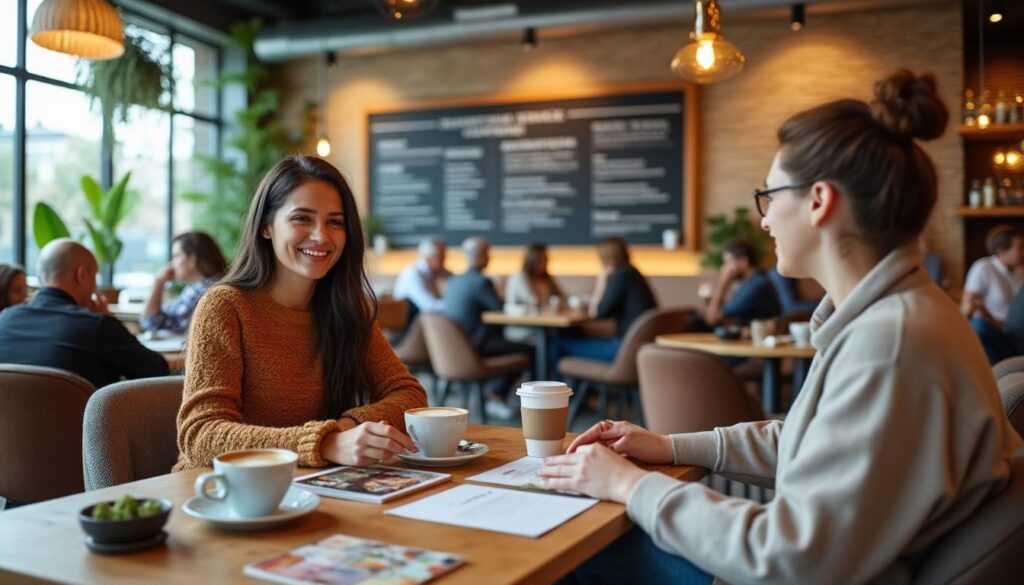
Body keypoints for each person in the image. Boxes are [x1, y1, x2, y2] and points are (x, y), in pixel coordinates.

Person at [540, 70, 1022, 584]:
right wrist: (669, 445)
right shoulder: (897, 317)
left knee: (563, 548)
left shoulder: (891, 345)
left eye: (769, 196)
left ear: (819, 200)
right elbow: (809, 442)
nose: (765, 220)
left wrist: (630, 487)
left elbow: (791, 557)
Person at [175, 155, 427, 471]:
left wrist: (346, 429)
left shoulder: (349, 309)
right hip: (222, 492)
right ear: (267, 227)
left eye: (334, 222)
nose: (321, 236)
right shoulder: (225, 306)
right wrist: (325, 443)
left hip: (313, 485)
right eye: (302, 219)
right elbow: (201, 435)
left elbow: (409, 394)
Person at [0, 239, 169, 388]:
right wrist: (107, 320)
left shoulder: (5, 319)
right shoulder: (97, 326)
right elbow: (158, 372)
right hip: (81, 425)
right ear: (81, 275)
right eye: (95, 277)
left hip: (10, 425)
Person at [442, 237, 532, 420]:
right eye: (488, 254)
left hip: (452, 351)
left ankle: (494, 394)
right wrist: (499, 288)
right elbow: (500, 309)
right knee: (531, 351)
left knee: (515, 347)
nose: (490, 258)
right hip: (477, 346)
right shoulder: (481, 282)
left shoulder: (453, 281)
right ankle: (499, 397)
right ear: (481, 256)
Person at [549, 237, 656, 371]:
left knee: (557, 343)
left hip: (622, 350)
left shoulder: (621, 276)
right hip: (638, 349)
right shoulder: (633, 273)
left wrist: (601, 281)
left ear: (604, 258)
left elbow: (597, 313)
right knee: (574, 334)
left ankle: (554, 390)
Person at [141, 231, 227, 334]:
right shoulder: (201, 286)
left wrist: (158, 282)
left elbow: (152, 323)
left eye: (176, 256)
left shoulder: (202, 291)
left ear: (192, 260)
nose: (172, 264)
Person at [961, 225, 1024, 363]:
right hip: (996, 330)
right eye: (1019, 248)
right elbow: (969, 305)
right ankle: (1000, 373)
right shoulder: (984, 267)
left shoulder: (1020, 272)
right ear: (1001, 252)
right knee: (978, 326)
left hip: (1018, 331)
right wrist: (992, 320)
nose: (1023, 252)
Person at [702, 238, 781, 327]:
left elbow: (712, 318)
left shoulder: (756, 285)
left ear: (744, 261)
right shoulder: (757, 280)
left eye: (727, 262)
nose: (723, 268)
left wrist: (723, 282)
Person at [504, 242, 566, 342]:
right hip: (522, 327)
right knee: (551, 334)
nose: (545, 262)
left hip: (544, 324)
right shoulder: (520, 278)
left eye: (546, 259)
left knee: (567, 331)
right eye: (542, 260)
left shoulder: (547, 278)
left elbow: (563, 297)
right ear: (532, 260)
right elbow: (534, 302)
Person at [393, 237, 450, 322]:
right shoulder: (413, 273)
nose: (444, 260)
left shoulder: (437, 272)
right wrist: (455, 303)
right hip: (408, 325)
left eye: (444, 256)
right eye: (440, 257)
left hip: (424, 322)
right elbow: (429, 306)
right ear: (428, 257)